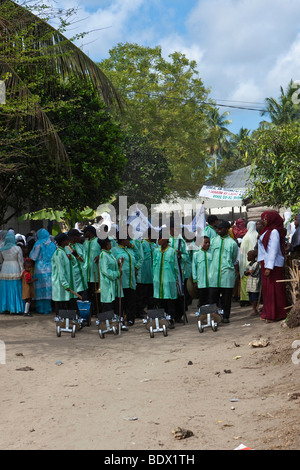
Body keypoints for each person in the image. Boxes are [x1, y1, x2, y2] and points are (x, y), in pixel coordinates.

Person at [257, 211, 287, 323]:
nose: (263, 220)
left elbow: (273, 250)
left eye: (265, 218)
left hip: (272, 265)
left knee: (274, 290)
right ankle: (269, 313)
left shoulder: (274, 232)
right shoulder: (266, 231)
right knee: (268, 290)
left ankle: (276, 314)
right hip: (266, 263)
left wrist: (269, 267)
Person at [209, 220, 238, 323]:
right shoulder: (213, 241)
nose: (218, 230)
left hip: (227, 274)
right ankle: (214, 316)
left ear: (226, 229)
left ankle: (226, 316)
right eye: (217, 228)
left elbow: (234, 258)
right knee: (213, 298)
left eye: (220, 228)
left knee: (226, 298)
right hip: (214, 274)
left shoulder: (232, 243)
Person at [153, 234, 179, 328]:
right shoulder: (156, 251)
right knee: (159, 301)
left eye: (161, 238)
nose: (159, 240)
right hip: (158, 281)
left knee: (169, 301)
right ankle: (161, 319)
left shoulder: (172, 251)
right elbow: (154, 265)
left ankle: (170, 319)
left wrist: (175, 279)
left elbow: (175, 267)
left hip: (169, 280)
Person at [111, 234, 137, 326]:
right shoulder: (114, 250)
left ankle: (130, 318)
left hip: (131, 280)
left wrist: (132, 246)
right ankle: (120, 318)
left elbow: (139, 256)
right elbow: (111, 262)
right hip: (122, 280)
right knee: (121, 301)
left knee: (131, 300)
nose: (129, 242)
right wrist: (117, 263)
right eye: (127, 240)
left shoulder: (130, 249)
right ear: (122, 240)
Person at [29, 228, 56, 314]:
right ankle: (48, 308)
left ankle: (40, 308)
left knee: (40, 288)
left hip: (40, 268)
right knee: (48, 288)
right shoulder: (52, 244)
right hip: (50, 268)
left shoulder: (38, 244)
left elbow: (34, 257)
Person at [51, 233, 76, 313]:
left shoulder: (65, 251)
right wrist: (65, 284)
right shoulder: (58, 253)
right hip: (60, 283)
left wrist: (71, 257)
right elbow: (60, 270)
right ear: (63, 241)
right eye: (67, 240)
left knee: (67, 302)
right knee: (61, 303)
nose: (68, 241)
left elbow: (74, 262)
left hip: (67, 281)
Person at [0, 231, 24, 314]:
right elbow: (21, 261)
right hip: (15, 267)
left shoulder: (2, 249)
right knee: (15, 288)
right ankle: (15, 307)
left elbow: (1, 261)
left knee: (5, 288)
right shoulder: (18, 248)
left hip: (5, 268)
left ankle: (5, 307)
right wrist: (22, 271)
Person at [98, 237, 122, 313]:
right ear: (106, 244)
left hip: (113, 284)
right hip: (107, 284)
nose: (111, 244)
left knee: (114, 305)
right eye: (109, 242)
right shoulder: (103, 255)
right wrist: (117, 273)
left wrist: (118, 264)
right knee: (108, 306)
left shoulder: (109, 254)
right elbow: (106, 271)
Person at [82, 225, 101, 316]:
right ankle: (91, 311)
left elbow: (106, 250)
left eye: (85, 232)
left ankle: (98, 311)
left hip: (96, 273)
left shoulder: (98, 241)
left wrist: (100, 256)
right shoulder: (85, 243)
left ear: (90, 232)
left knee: (97, 294)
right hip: (87, 273)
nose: (84, 234)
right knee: (89, 294)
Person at [238, 221, 258, 306]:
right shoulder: (257, 235)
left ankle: (245, 299)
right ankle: (254, 300)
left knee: (245, 280)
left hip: (246, 262)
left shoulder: (246, 237)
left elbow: (242, 252)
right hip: (256, 261)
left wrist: (241, 263)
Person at [192, 236, 212, 308]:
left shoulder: (212, 253)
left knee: (210, 300)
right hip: (201, 282)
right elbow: (194, 268)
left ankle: (211, 315)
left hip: (211, 282)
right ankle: (202, 315)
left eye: (209, 242)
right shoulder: (196, 254)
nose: (208, 244)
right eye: (205, 242)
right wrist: (195, 281)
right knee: (202, 300)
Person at [244, 250, 260, 316]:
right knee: (250, 296)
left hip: (255, 282)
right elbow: (246, 272)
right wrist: (248, 272)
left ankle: (255, 309)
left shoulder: (256, 264)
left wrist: (248, 272)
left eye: (248, 256)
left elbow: (252, 271)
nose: (247, 257)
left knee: (254, 296)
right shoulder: (249, 264)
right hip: (250, 282)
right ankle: (254, 309)